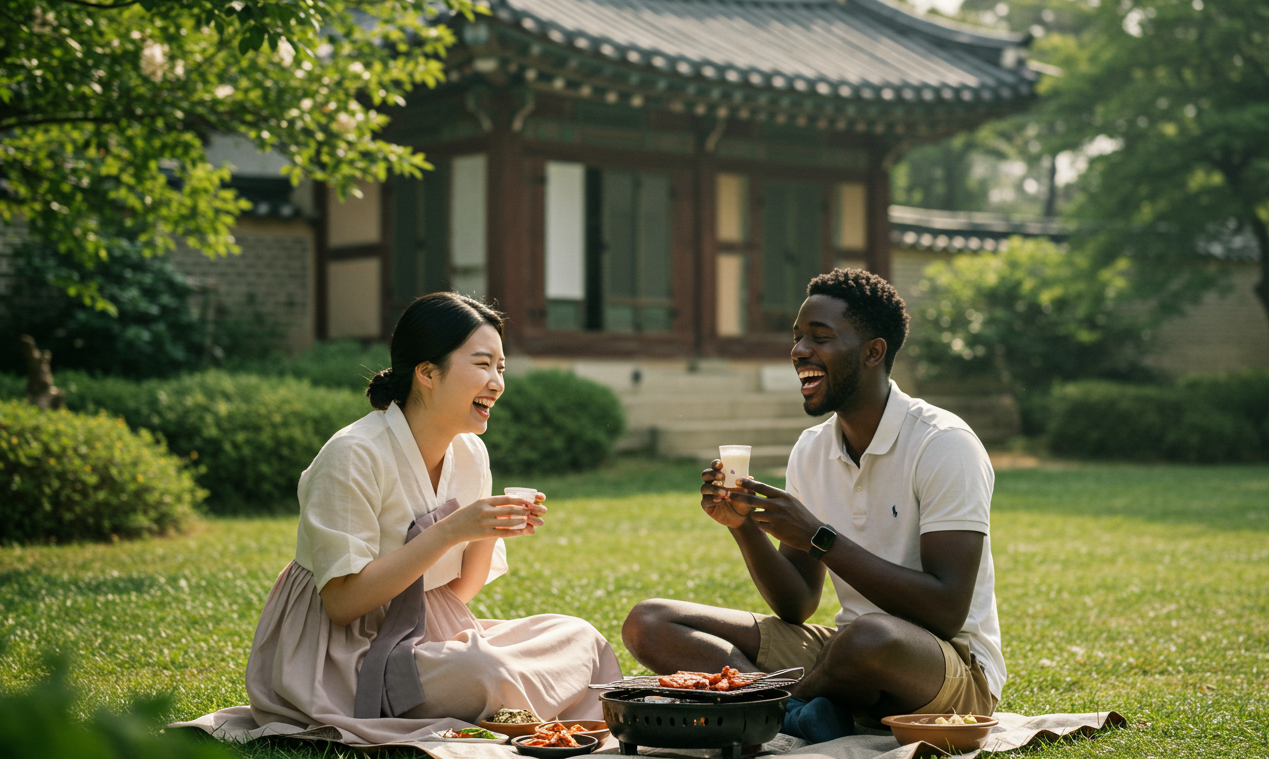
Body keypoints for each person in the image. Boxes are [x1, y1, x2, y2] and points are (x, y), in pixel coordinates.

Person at [622, 269, 1004, 743]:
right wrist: (744, 528)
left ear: (873, 352)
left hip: (950, 667)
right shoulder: (812, 449)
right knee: (651, 622)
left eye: (819, 338)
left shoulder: (943, 444)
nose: (799, 351)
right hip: (844, 655)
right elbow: (797, 602)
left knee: (870, 636)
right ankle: (798, 710)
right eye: (797, 337)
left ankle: (769, 707)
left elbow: (946, 610)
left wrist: (821, 539)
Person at [244, 292, 621, 745]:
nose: (498, 383)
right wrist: (451, 530)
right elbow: (342, 604)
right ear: (426, 372)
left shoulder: (470, 453)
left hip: (427, 630)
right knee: (486, 671)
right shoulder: (352, 455)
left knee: (579, 637)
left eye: (501, 368)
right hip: (344, 652)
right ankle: (509, 705)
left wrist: (487, 530)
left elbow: (456, 593)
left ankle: (515, 708)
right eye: (482, 365)